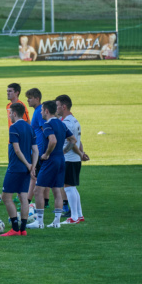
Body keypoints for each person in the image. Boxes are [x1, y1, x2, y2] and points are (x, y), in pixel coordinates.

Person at [26, 101, 81, 229]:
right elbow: (73, 140)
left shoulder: (47, 125)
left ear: (46, 111)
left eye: (42, 110)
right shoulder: (61, 124)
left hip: (50, 161)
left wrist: (46, 154)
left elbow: (53, 140)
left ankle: (39, 222)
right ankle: (56, 222)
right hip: (61, 160)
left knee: (38, 190)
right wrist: (63, 151)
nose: (40, 112)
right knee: (56, 190)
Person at [0, 103, 38, 237]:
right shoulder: (30, 127)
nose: (9, 115)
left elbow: (16, 149)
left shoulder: (14, 128)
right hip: (26, 169)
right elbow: (35, 149)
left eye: (10, 113)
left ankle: (15, 228)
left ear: (14, 114)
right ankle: (23, 229)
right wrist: (33, 166)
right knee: (23, 197)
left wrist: (28, 165)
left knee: (6, 197)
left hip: (15, 167)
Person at [56, 95, 90, 224]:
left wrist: (78, 154)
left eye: (57, 105)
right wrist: (81, 153)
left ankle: (74, 217)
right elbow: (78, 141)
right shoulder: (74, 120)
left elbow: (73, 143)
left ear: (63, 106)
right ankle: (79, 215)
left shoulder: (66, 123)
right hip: (74, 159)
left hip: (69, 159)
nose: (56, 108)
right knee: (72, 187)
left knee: (68, 188)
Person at [25, 88, 47, 206]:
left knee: (34, 175)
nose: (28, 100)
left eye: (30, 98)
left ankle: (27, 201)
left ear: (37, 99)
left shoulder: (40, 111)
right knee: (37, 176)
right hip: (37, 149)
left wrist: (43, 151)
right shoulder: (37, 110)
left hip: (39, 150)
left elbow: (45, 131)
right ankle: (43, 201)